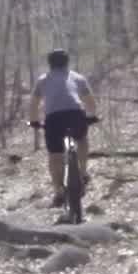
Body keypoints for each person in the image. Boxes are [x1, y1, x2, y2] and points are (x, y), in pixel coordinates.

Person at [29, 48, 97, 206]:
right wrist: (92, 116)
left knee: (55, 155)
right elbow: (90, 101)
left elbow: (33, 104)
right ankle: (83, 171)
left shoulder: (42, 80)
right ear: (67, 63)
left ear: (49, 64)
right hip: (75, 114)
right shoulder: (77, 77)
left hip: (54, 118)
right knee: (81, 139)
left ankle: (58, 190)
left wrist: (34, 121)